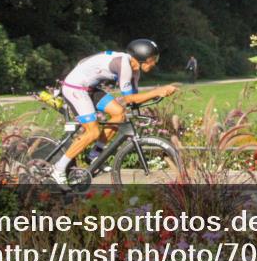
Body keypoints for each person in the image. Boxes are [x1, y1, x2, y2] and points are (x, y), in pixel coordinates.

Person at [53, 39, 178, 184]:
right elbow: (130, 98)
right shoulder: (124, 65)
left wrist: (157, 94)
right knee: (92, 132)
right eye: (152, 59)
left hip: (90, 88)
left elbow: (134, 100)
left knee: (119, 113)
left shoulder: (135, 70)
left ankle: (94, 155)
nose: (154, 63)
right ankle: (58, 168)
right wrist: (158, 91)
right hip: (75, 88)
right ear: (141, 58)